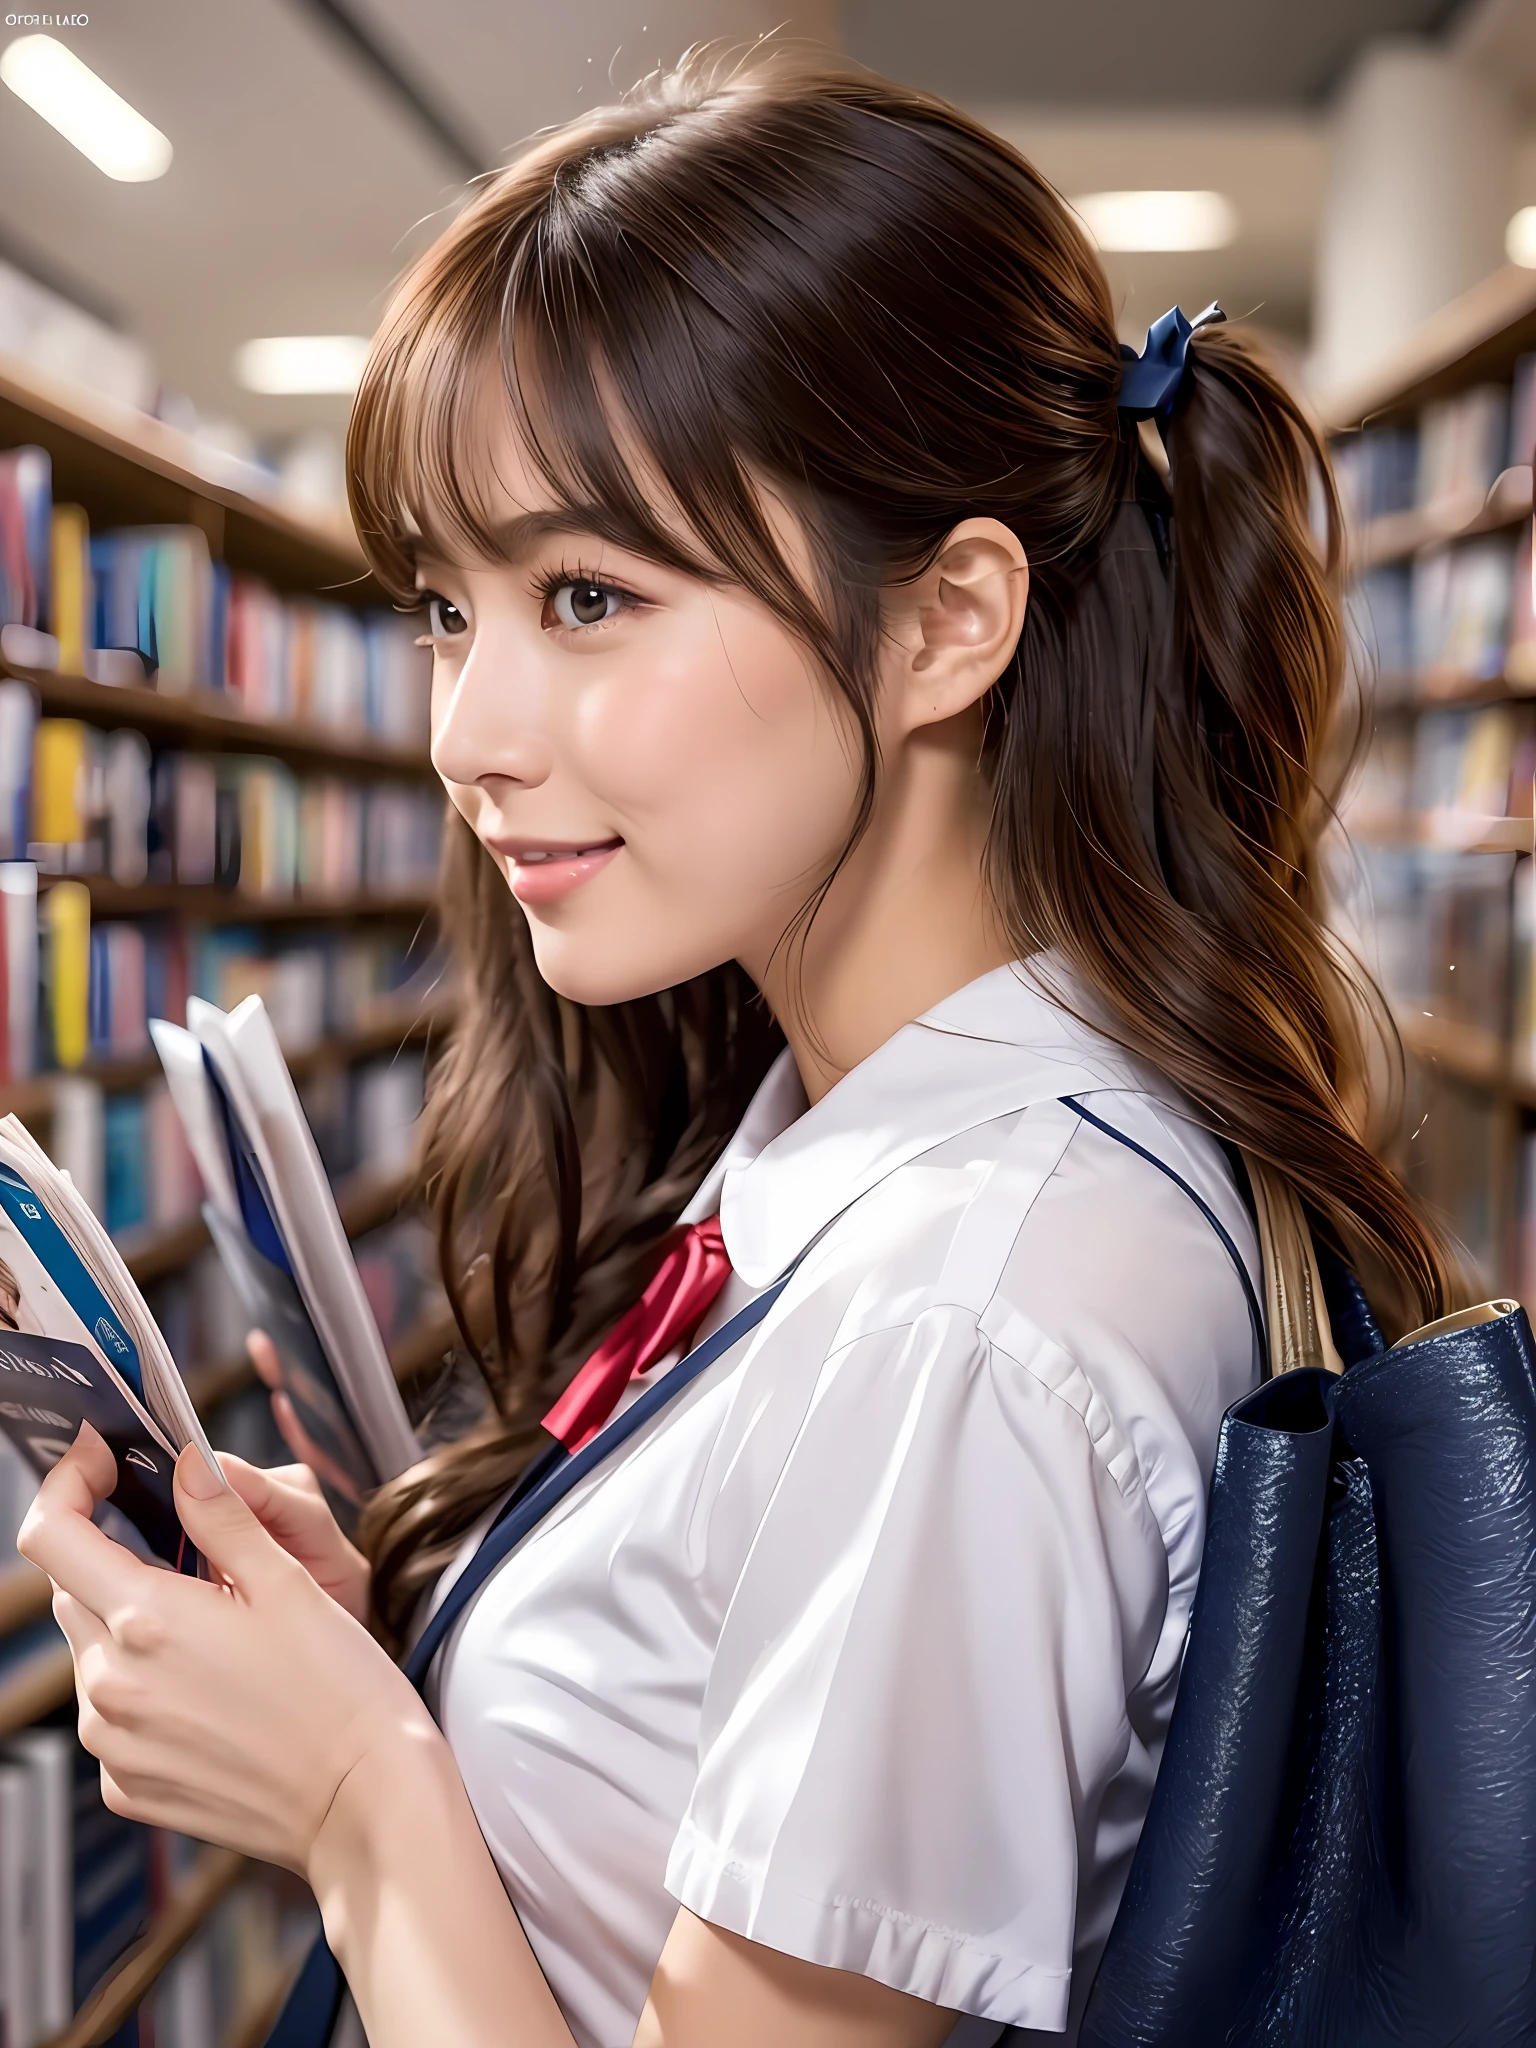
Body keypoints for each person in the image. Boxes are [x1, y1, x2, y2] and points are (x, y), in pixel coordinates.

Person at [21, 51, 1455, 2048]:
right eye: (449, 607)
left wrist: (354, 1802)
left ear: (948, 621)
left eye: (588, 593)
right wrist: (399, 1659)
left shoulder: (967, 1314)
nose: (469, 735)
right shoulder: (870, 1126)